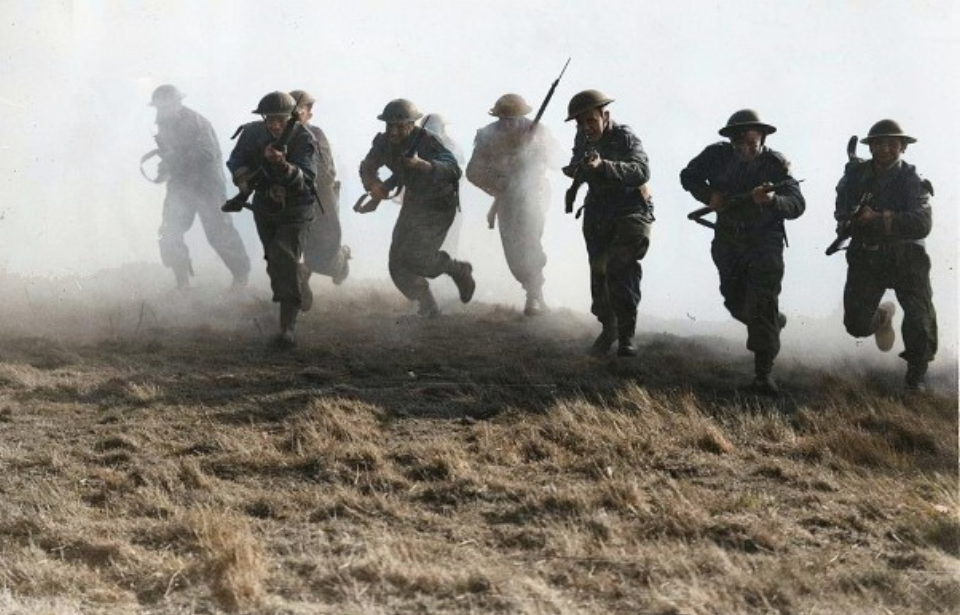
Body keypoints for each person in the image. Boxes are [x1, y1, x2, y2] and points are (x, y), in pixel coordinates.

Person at [680, 109, 805, 395]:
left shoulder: (776, 164)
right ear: (731, 140)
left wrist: (773, 200)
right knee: (735, 302)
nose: (747, 149)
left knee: (762, 304)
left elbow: (797, 204)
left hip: (764, 244)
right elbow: (688, 176)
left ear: (762, 138)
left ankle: (763, 375)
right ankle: (773, 323)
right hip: (728, 242)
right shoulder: (716, 156)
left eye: (753, 142)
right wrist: (709, 196)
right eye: (740, 143)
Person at [834, 119, 937, 393]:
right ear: (871, 147)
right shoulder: (855, 176)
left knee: (919, 319)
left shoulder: (912, 180)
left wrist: (878, 219)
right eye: (879, 143)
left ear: (902, 147)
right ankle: (882, 318)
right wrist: (846, 221)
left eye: (892, 143)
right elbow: (841, 207)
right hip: (867, 257)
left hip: (907, 258)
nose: (885, 149)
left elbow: (922, 222)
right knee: (856, 325)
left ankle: (916, 377)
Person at [357, 98, 475, 317]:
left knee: (418, 258)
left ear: (411, 125)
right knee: (397, 264)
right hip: (413, 204)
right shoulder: (383, 142)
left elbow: (453, 170)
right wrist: (374, 187)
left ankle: (458, 270)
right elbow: (369, 166)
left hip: (439, 205)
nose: (393, 131)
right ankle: (427, 304)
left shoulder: (427, 141)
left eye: (399, 126)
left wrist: (423, 165)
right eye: (389, 125)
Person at [562, 89, 653, 357]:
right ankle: (608, 328)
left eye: (591, 120)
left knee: (621, 270)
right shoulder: (582, 139)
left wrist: (604, 166)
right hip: (598, 212)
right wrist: (578, 170)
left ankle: (626, 336)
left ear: (605, 115)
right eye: (580, 123)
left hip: (630, 211)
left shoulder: (625, 137)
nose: (586, 127)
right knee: (599, 274)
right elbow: (575, 165)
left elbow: (641, 171)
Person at [225, 91, 319, 348]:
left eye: (280, 119)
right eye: (270, 119)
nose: (275, 125)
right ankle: (298, 279)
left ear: (290, 118)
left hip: (297, 207)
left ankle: (287, 328)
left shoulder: (305, 139)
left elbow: (307, 180)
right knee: (274, 260)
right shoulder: (253, 133)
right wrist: (244, 183)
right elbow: (236, 160)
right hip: (265, 204)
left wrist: (283, 166)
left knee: (282, 256)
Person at [146, 84, 250, 290]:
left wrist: (175, 160)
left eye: (166, 106)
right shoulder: (163, 124)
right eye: (159, 107)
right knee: (169, 231)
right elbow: (169, 154)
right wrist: (164, 167)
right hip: (180, 184)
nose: (162, 111)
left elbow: (207, 153)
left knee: (218, 232)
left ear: (177, 104)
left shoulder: (197, 123)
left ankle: (241, 275)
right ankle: (182, 282)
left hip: (206, 184)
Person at [466, 93, 556, 316]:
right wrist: (496, 181)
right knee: (514, 252)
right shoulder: (487, 136)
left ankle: (533, 296)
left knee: (530, 241)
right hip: (507, 198)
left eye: (514, 118)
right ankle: (534, 292)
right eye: (503, 118)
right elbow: (473, 171)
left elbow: (558, 160)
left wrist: (537, 148)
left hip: (534, 193)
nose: (509, 123)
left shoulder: (539, 131)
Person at [289, 89, 351, 286]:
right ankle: (298, 283)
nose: (293, 115)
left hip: (318, 200)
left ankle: (341, 260)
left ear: (309, 114)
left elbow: (324, 173)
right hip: (290, 201)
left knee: (322, 259)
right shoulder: (274, 133)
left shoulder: (314, 135)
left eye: (299, 111)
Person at [423, 114, 465, 260]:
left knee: (450, 242)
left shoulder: (452, 147)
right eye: (429, 128)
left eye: (434, 128)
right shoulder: (421, 146)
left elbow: (459, 174)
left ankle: (448, 276)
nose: (431, 131)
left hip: (448, 202)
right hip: (425, 204)